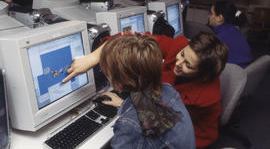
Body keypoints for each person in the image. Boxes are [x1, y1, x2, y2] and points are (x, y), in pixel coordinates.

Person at [63, 31, 228, 149]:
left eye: (188, 65)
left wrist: (130, 111)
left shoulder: (205, 97)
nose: (178, 63)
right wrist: (92, 58)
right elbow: (135, 40)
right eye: (182, 54)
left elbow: (158, 122)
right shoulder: (169, 89)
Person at [99, 34, 196, 148]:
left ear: (120, 81)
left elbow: (136, 124)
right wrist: (124, 105)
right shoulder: (169, 90)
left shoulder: (128, 125)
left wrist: (129, 114)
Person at [208, 0, 253, 68]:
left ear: (219, 18)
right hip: (244, 70)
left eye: (211, 13)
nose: (208, 16)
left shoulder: (220, 38)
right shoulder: (233, 30)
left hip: (233, 73)